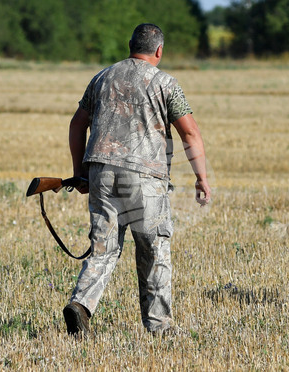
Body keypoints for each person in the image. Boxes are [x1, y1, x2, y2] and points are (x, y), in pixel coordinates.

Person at [64, 23, 211, 335]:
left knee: (103, 248)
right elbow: (190, 133)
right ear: (159, 51)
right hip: (146, 177)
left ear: (130, 46)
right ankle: (159, 327)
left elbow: (77, 125)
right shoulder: (165, 82)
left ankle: (81, 304)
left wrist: (80, 172)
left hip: (101, 171)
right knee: (154, 249)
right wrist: (201, 178)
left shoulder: (102, 78)